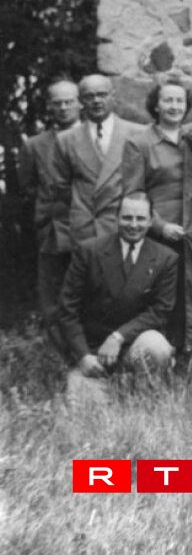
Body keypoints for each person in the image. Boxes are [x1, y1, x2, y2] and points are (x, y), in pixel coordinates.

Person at [58, 191, 178, 394]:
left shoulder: (166, 258)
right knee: (85, 416)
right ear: (116, 218)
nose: (133, 225)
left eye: (140, 218)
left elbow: (161, 311)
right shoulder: (89, 251)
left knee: (157, 347)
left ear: (150, 221)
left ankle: (144, 389)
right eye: (127, 217)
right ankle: (105, 382)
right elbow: (67, 309)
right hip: (94, 352)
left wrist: (118, 337)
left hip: (133, 346)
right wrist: (83, 356)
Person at [41, 73, 138, 249]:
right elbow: (62, 188)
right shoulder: (66, 139)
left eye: (102, 94)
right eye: (89, 96)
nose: (96, 101)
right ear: (80, 101)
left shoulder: (136, 133)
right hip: (85, 229)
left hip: (125, 225)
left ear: (113, 96)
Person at [20, 78, 80, 356]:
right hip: (51, 234)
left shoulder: (91, 137)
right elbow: (28, 188)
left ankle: (89, 353)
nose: (64, 107)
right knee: (53, 298)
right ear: (49, 107)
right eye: (58, 103)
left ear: (79, 103)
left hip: (86, 231)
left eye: (69, 101)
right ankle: (61, 356)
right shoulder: (34, 145)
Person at [125, 80, 191, 246]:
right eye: (168, 100)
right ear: (156, 106)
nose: (174, 106)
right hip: (159, 236)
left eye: (179, 101)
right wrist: (161, 227)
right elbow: (134, 194)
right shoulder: (139, 144)